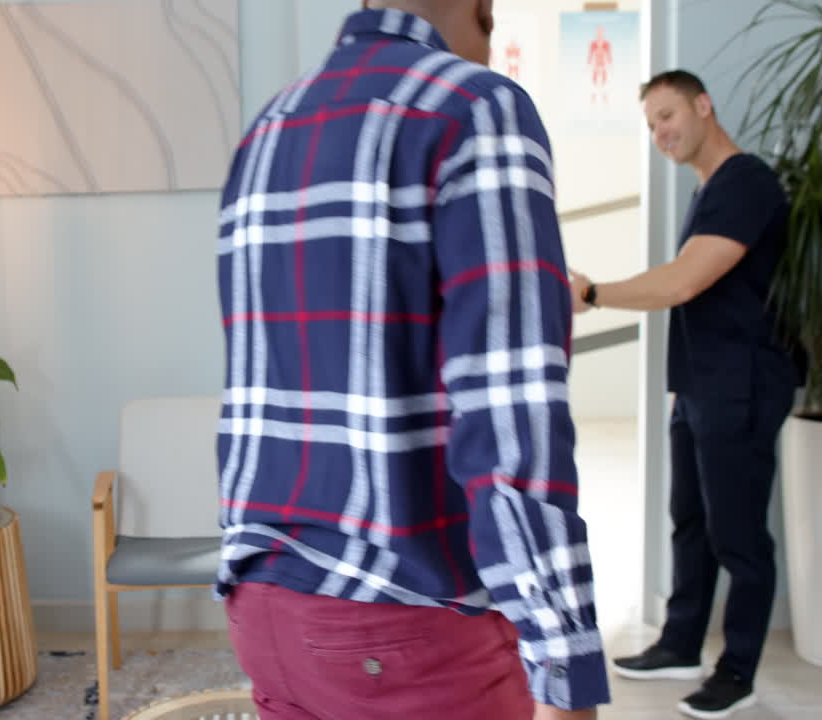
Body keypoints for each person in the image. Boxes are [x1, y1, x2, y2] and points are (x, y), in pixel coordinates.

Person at [214, 2, 608, 718]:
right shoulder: (476, 107)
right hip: (401, 629)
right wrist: (564, 663)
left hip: (264, 607)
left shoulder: (268, 127)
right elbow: (511, 411)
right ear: (482, 10)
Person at [570, 70, 802, 719]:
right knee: (691, 525)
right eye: (650, 125)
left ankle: (739, 672)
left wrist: (592, 293)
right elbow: (705, 303)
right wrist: (682, 389)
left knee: (738, 536)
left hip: (743, 386)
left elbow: (682, 285)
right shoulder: (709, 190)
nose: (660, 133)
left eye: (667, 115)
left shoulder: (746, 182)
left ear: (705, 104)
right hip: (702, 387)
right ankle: (679, 643)